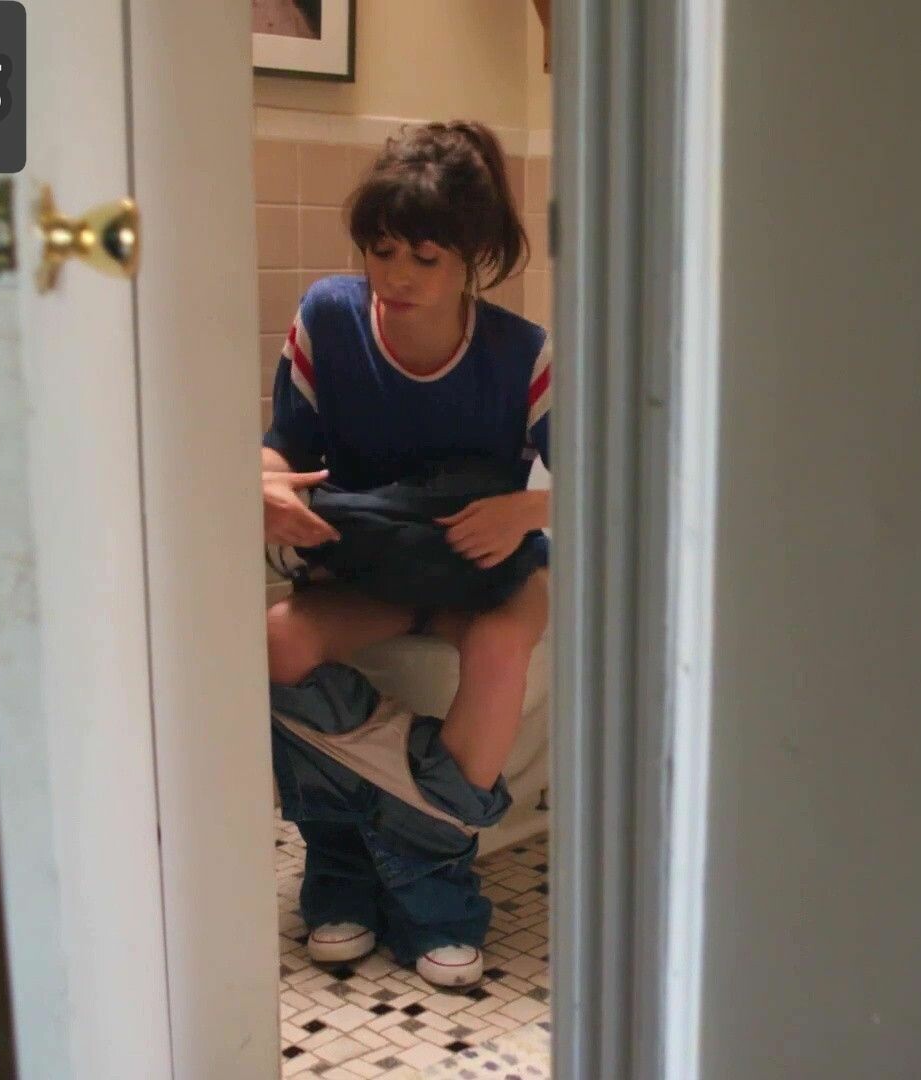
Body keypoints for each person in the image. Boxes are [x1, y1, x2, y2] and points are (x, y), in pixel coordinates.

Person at [259, 120, 550, 989]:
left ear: (473, 257)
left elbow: (611, 482)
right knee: (275, 642)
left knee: (502, 647)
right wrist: (266, 484)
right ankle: (378, 851)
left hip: (483, 570)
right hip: (373, 565)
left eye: (425, 258)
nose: (397, 277)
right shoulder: (327, 320)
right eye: (382, 251)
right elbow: (282, 444)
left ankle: (409, 884)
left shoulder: (522, 355)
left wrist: (527, 507)